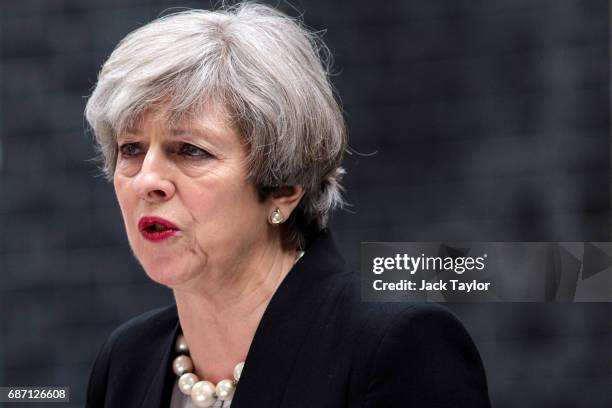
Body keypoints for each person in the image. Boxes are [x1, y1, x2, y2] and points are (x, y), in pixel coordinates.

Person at [84, 2, 491, 407]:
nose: (147, 180)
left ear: (284, 186)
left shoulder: (397, 350)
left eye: (191, 150)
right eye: (131, 148)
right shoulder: (125, 363)